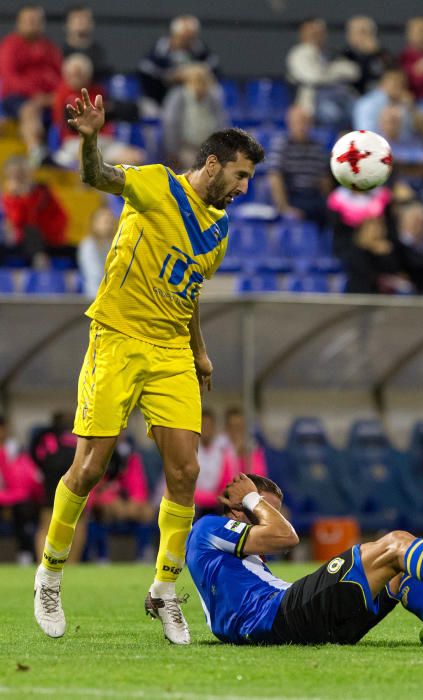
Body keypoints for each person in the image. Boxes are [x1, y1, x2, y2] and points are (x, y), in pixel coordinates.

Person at [32, 86, 264, 645]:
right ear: (212, 164)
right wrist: (89, 143)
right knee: (89, 468)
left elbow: (189, 292)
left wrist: (199, 349)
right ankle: (50, 574)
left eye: (249, 179)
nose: (243, 187)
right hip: (116, 337)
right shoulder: (157, 184)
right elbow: (99, 178)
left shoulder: (219, 231)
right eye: (239, 175)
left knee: (185, 472)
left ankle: (164, 590)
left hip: (169, 353)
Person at [186, 472, 423, 646]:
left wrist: (160, 593)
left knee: (399, 563)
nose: (272, 519)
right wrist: (252, 498)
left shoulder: (235, 556)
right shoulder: (209, 528)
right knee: (395, 543)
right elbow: (287, 535)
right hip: (280, 617)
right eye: (265, 510)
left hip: (302, 625)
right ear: (236, 509)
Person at [52, 53, 145, 170]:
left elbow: (127, 110)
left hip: (104, 141)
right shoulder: (62, 93)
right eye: (72, 74)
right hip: (76, 142)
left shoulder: (98, 91)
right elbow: (70, 124)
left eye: (79, 74)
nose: (75, 78)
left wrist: (105, 112)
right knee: (88, 161)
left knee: (135, 157)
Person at [0, 5, 62, 165]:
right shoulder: (10, 46)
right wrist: (36, 95)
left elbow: (60, 76)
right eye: (28, 21)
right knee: (30, 109)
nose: (33, 24)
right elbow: (10, 77)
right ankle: (36, 152)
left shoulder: (50, 48)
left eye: (36, 20)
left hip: (48, 99)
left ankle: (66, 153)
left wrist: (54, 95)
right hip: (16, 99)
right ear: (18, 23)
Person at [31, 412, 85, 567]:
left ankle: (43, 563)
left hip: (51, 478)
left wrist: (44, 469)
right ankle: (72, 563)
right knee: (78, 521)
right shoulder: (79, 433)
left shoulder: (45, 436)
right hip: (74, 476)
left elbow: (35, 455)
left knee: (46, 523)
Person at [286, 17, 359, 129]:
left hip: (341, 97)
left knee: (361, 107)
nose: (316, 36)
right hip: (313, 103)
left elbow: (354, 71)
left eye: (320, 32)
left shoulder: (329, 52)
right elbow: (314, 77)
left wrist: (327, 71)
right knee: (332, 113)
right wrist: (337, 72)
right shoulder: (299, 53)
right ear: (303, 33)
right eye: (312, 32)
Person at [267, 105, 331, 228]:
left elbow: (324, 180)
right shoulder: (281, 145)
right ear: (289, 123)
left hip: (313, 197)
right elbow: (275, 177)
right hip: (292, 196)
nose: (302, 126)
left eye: (305, 122)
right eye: (298, 122)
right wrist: (284, 208)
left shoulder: (318, 147)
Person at [139, 15, 220, 110]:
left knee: (216, 91)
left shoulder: (199, 49)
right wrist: (171, 76)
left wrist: (197, 72)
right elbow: (146, 70)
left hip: (193, 99)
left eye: (190, 37)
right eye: (183, 38)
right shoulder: (160, 49)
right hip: (159, 98)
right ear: (174, 35)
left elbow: (214, 67)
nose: (187, 41)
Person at [1, 155, 69, 266]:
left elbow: (62, 217)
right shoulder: (6, 197)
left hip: (45, 239)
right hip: (13, 241)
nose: (18, 178)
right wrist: (15, 198)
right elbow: (16, 221)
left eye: (21, 173)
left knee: (31, 231)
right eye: (14, 175)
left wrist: (24, 196)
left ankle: (40, 259)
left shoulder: (43, 192)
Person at [162, 63, 228, 170]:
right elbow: (171, 125)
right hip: (185, 148)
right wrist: (174, 152)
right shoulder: (177, 97)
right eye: (196, 81)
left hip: (209, 148)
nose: (199, 85)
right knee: (196, 167)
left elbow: (222, 124)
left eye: (203, 81)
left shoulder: (213, 99)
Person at [0, 414, 42, 564]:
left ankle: (25, 553)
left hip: (14, 495)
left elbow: (22, 478)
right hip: (5, 495)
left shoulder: (14, 448)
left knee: (24, 507)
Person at [353, 68, 418, 135]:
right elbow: (365, 133)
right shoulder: (366, 104)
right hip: (374, 143)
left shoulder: (403, 102)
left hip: (401, 144)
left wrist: (411, 108)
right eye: (395, 84)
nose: (399, 89)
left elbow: (410, 132)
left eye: (402, 85)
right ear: (382, 84)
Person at [340, 16, 392, 95]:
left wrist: (377, 53)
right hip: (356, 97)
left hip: (382, 96)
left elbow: (394, 73)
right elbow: (358, 77)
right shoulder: (345, 56)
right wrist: (367, 55)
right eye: (362, 32)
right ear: (349, 36)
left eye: (370, 32)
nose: (366, 36)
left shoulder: (382, 53)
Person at [194, 409, 232, 516]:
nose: (206, 429)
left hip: (217, 504)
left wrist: (217, 498)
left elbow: (227, 481)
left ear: (214, 428)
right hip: (195, 505)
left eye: (209, 426)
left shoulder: (223, 450)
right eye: (203, 425)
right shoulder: (191, 450)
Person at [77, 205, 118, 299]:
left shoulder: (115, 244)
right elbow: (95, 274)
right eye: (105, 221)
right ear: (94, 223)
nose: (108, 225)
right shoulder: (87, 245)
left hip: (114, 295)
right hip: (94, 296)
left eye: (110, 221)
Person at [62, 5, 110, 81]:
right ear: (67, 24)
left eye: (85, 19)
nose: (81, 22)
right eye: (76, 19)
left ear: (92, 23)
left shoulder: (98, 53)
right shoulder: (58, 53)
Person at [222, 407, 268, 478]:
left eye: (240, 427)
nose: (237, 431)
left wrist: (247, 457)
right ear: (227, 429)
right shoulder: (221, 453)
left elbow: (259, 479)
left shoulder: (255, 450)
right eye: (233, 427)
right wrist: (235, 455)